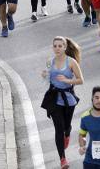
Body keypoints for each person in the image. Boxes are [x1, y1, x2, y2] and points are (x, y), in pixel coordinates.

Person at [42, 37, 84, 169]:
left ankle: (67, 133)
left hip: (68, 97)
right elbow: (48, 77)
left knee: (66, 126)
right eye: (55, 46)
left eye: (60, 46)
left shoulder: (71, 62)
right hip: (54, 98)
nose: (57, 48)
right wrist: (44, 75)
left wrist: (67, 80)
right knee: (58, 129)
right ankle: (63, 159)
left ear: (65, 47)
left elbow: (80, 80)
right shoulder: (50, 61)